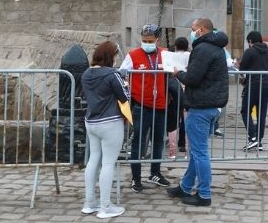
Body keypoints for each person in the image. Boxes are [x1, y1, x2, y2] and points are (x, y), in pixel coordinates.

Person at [167, 17, 229, 207]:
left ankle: (204, 194)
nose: (191, 32)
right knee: (196, 152)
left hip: (201, 106)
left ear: (201, 30)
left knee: (200, 153)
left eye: (193, 29)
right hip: (210, 105)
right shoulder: (216, 47)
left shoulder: (202, 49)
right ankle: (185, 186)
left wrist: (178, 73)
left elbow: (193, 78)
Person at [120, 24, 170, 191]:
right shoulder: (132, 55)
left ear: (157, 40)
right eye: (144, 40)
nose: (147, 43)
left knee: (158, 141)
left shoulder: (164, 53)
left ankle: (155, 172)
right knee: (138, 143)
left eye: (150, 40)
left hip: (161, 105)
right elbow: (121, 74)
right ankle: (136, 178)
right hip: (141, 105)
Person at [81, 41, 128, 219]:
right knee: (108, 164)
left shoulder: (86, 73)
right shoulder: (112, 74)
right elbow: (124, 96)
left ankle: (89, 202)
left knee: (93, 160)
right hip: (110, 122)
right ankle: (105, 206)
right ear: (111, 56)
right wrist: (125, 81)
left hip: (91, 121)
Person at [239, 30, 268, 150]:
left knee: (245, 110)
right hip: (265, 85)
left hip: (253, 84)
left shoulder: (250, 51)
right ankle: (258, 140)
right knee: (262, 113)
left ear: (250, 41)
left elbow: (242, 68)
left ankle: (253, 137)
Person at [167, 36, 189, 159]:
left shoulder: (170, 57)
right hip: (187, 92)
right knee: (187, 122)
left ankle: (172, 152)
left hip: (173, 91)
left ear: (175, 46)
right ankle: (187, 151)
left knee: (173, 123)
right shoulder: (191, 56)